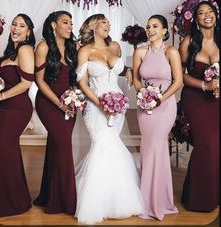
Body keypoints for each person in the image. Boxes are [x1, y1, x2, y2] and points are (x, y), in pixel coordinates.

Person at [75, 13, 145, 224]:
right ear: (93, 26)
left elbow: (121, 70)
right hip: (95, 106)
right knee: (101, 145)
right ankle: (95, 202)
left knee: (114, 145)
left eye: (108, 22)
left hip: (118, 105)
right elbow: (83, 83)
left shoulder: (115, 46)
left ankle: (117, 198)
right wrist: (101, 104)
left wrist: (131, 71)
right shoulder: (85, 50)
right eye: (103, 22)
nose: (108, 25)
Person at [132, 14, 183, 220]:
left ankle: (158, 202)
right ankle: (147, 200)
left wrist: (159, 99)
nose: (150, 30)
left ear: (164, 30)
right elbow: (136, 79)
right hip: (145, 107)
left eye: (155, 26)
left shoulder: (171, 51)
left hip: (165, 106)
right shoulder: (140, 52)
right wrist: (143, 94)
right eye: (148, 26)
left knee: (156, 147)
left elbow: (178, 81)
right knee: (148, 149)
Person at [0, 14, 35, 218]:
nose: (16, 28)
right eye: (14, 24)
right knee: (4, 151)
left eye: (22, 26)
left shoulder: (25, 49)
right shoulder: (11, 52)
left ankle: (10, 203)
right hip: (1, 108)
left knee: (3, 150)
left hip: (16, 108)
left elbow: (26, 83)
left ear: (28, 32)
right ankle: (14, 199)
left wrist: (2, 94)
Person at [32, 11, 78, 214]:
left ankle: (48, 195)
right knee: (64, 147)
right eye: (65, 22)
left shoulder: (72, 46)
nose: (69, 26)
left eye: (71, 23)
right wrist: (60, 104)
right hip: (49, 103)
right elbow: (39, 81)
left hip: (69, 104)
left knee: (56, 147)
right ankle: (66, 202)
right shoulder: (43, 46)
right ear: (53, 25)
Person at [179, 1, 219, 212]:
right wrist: (205, 84)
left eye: (210, 12)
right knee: (207, 143)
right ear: (195, 19)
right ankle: (200, 200)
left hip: (218, 99)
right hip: (195, 98)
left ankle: (199, 192)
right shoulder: (189, 42)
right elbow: (180, 76)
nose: (206, 16)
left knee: (215, 145)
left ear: (216, 15)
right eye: (201, 13)